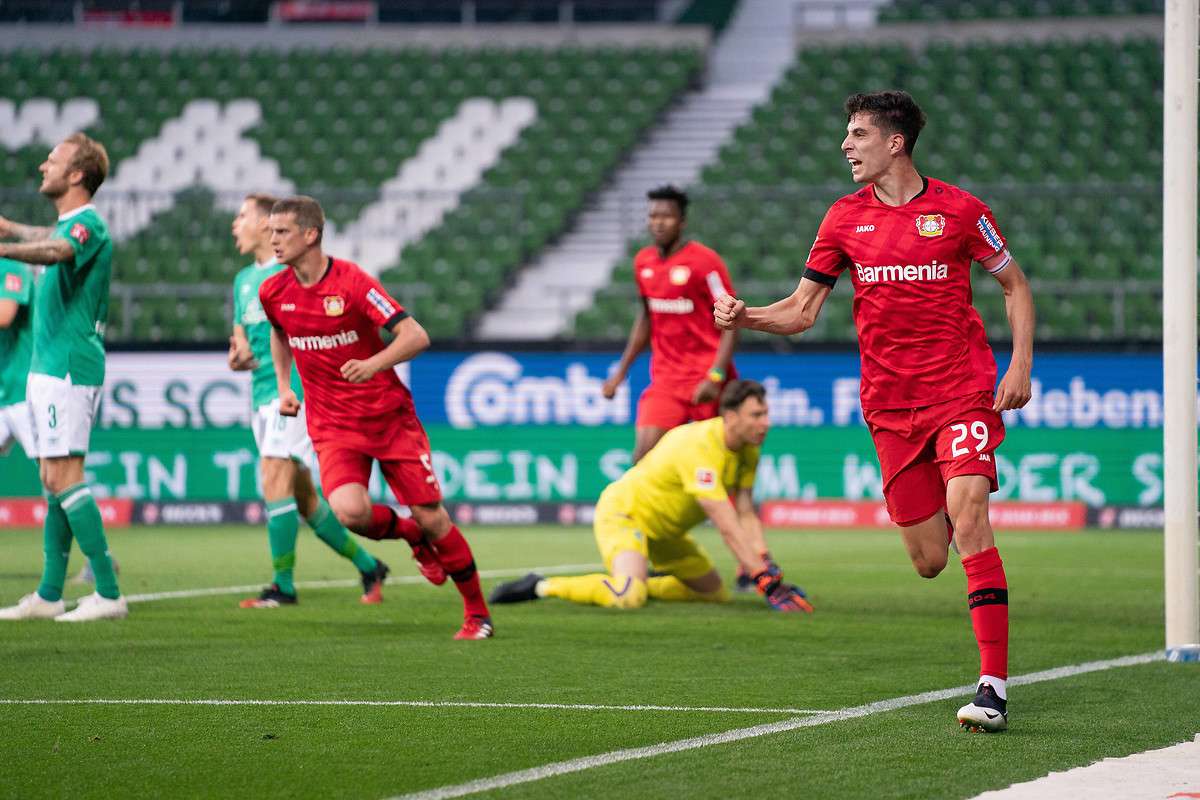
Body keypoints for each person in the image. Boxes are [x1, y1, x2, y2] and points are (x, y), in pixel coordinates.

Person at [714, 91, 1034, 733]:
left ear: (895, 142)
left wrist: (1020, 364)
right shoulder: (842, 219)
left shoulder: (962, 211)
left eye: (858, 133)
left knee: (970, 516)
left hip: (960, 390)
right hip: (889, 406)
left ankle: (993, 685)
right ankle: (951, 513)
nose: (846, 144)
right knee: (928, 560)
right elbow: (803, 311)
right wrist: (747, 315)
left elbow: (1013, 283)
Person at [259, 196, 492, 640]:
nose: (273, 239)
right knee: (349, 512)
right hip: (332, 426)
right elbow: (279, 332)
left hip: (388, 419)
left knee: (433, 517)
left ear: (310, 234)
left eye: (282, 231)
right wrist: (285, 388)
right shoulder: (273, 291)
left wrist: (375, 364)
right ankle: (411, 537)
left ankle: (477, 613)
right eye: (270, 231)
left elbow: (415, 335)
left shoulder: (352, 283)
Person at [490, 380, 812, 614]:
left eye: (766, 414)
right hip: (625, 514)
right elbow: (725, 521)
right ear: (730, 417)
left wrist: (764, 561)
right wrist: (764, 580)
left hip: (665, 534)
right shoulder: (700, 445)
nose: (766, 422)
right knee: (627, 597)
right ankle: (541, 585)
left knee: (715, 594)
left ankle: (645, 579)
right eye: (756, 415)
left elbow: (745, 513)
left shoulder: (747, 451)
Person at [227, 193, 391, 608]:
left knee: (274, 476)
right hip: (262, 393)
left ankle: (282, 585)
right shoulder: (244, 282)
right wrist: (239, 356)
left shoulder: (295, 276)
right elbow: (242, 343)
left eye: (243, 215)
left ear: (267, 223)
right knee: (303, 499)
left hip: (297, 392)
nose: (236, 223)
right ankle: (370, 566)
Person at [0, 132, 128, 622]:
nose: (41, 167)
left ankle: (109, 591)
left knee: (65, 476)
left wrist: (5, 249)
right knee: (52, 478)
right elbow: (49, 240)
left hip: (69, 367)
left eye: (52, 161)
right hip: (49, 367)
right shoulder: (71, 225)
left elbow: (56, 252)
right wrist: (11, 228)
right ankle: (51, 593)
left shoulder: (88, 225)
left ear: (77, 175)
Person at [602, 185, 740, 464]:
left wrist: (715, 375)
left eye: (666, 216)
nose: (658, 222)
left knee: (717, 464)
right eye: (653, 216)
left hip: (707, 378)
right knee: (644, 457)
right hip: (667, 379)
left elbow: (732, 320)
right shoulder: (643, 262)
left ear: (682, 221)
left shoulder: (705, 263)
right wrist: (620, 373)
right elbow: (646, 317)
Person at [0, 257, 36, 463]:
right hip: (3, 391)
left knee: (54, 474)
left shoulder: (10, 268)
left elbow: (5, 315)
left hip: (25, 391)